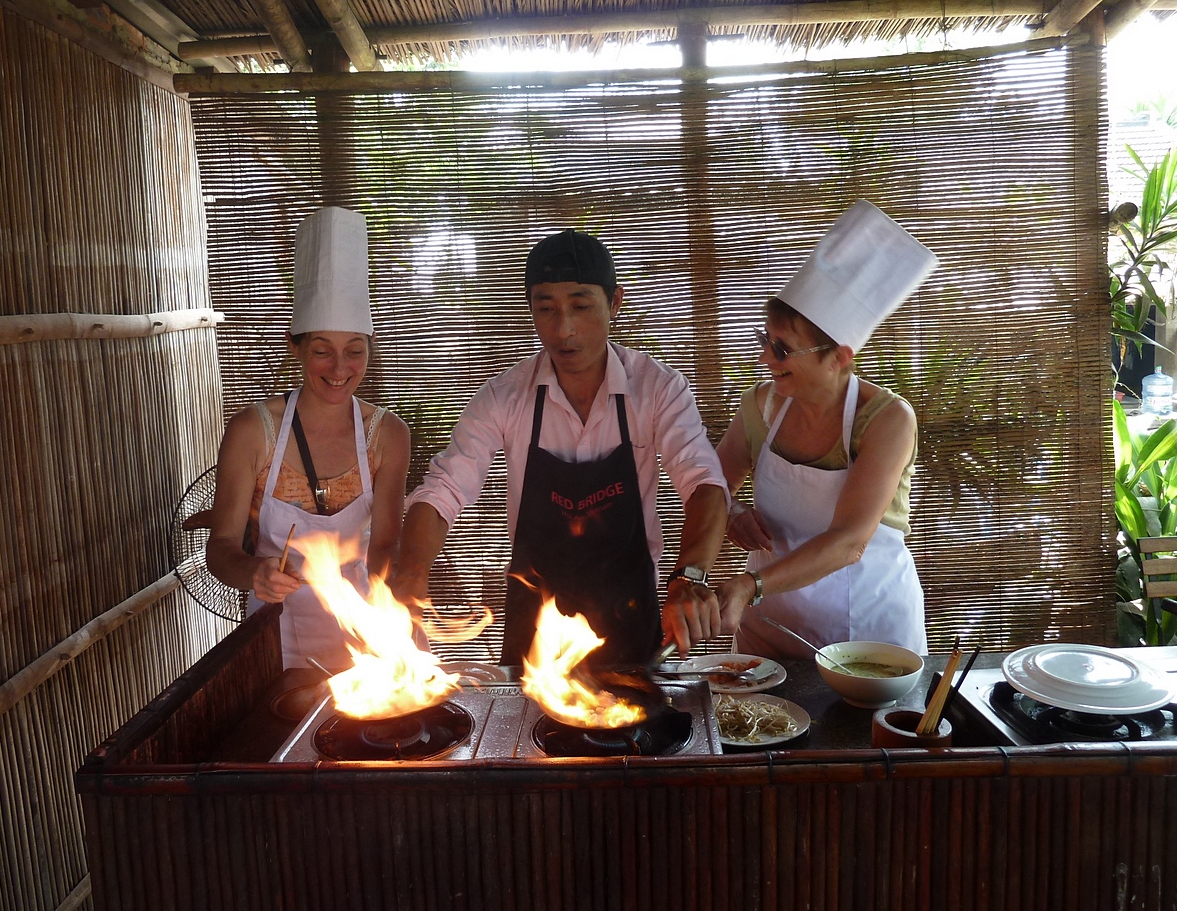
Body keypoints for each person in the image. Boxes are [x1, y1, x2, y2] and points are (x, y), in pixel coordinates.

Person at [391, 229, 729, 666]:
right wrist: (412, 572)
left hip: (630, 618)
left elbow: (704, 484)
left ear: (615, 303)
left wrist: (690, 577)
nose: (563, 329)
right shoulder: (504, 397)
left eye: (581, 306)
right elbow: (444, 489)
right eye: (545, 309)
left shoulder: (657, 389)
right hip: (536, 632)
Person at [715, 200, 939, 659]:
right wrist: (732, 510)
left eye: (783, 349)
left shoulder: (887, 420)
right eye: (764, 340)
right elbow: (709, 483)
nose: (765, 359)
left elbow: (849, 542)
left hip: (869, 639)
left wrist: (750, 584)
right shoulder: (762, 406)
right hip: (768, 634)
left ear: (839, 356)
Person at [206, 207, 411, 670]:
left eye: (354, 352)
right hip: (275, 640)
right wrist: (253, 572)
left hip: (363, 641)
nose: (340, 370)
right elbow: (220, 548)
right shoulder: (252, 432)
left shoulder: (387, 436)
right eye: (322, 351)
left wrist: (385, 612)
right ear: (294, 347)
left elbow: (383, 546)